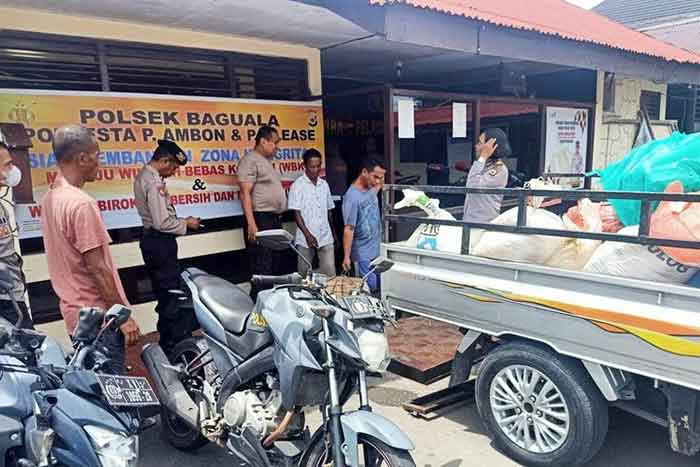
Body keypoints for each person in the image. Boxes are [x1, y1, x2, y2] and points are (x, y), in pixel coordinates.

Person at [40, 125, 140, 373]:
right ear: (82, 158)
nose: (100, 162)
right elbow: (96, 268)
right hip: (100, 321)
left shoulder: (50, 198)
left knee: (94, 389)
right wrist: (121, 317)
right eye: (97, 154)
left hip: (77, 317)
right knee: (114, 396)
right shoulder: (81, 204)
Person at [134, 139, 200, 354]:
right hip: (159, 242)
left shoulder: (146, 176)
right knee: (170, 294)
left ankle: (169, 341)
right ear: (164, 160)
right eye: (173, 166)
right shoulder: (154, 183)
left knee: (166, 293)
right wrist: (186, 223)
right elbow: (162, 223)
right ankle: (174, 345)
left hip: (154, 241)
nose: (174, 171)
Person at [237, 126, 286, 300]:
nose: (277, 147)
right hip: (260, 219)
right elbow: (245, 193)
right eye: (275, 142)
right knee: (262, 268)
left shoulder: (265, 160)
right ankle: (258, 312)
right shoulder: (250, 160)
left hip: (272, 220)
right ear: (263, 141)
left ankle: (271, 307)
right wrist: (252, 224)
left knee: (274, 265)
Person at [288, 149, 338, 278]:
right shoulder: (297, 186)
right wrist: (308, 235)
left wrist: (333, 232)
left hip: (325, 236)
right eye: (312, 166)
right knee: (304, 275)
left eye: (318, 166)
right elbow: (296, 214)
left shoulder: (324, 185)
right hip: (305, 239)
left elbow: (329, 212)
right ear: (304, 166)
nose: (315, 170)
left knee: (329, 273)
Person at [0, 129, 32, 328]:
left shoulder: (1, 205)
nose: (13, 170)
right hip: (5, 302)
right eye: (7, 165)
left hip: (13, 297)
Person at [342, 158, 386, 292]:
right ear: (364, 172)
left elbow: (379, 184)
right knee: (369, 288)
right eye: (375, 177)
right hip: (362, 254)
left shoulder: (372, 187)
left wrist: (380, 180)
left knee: (380, 288)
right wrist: (346, 257)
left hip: (377, 250)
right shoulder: (352, 197)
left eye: (381, 177)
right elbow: (349, 229)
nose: (378, 181)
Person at [462, 128, 511, 224]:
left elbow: (472, 187)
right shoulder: (483, 164)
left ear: (491, 147)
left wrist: (483, 156)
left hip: (483, 225)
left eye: (480, 143)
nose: (476, 146)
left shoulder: (499, 169)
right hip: (470, 221)